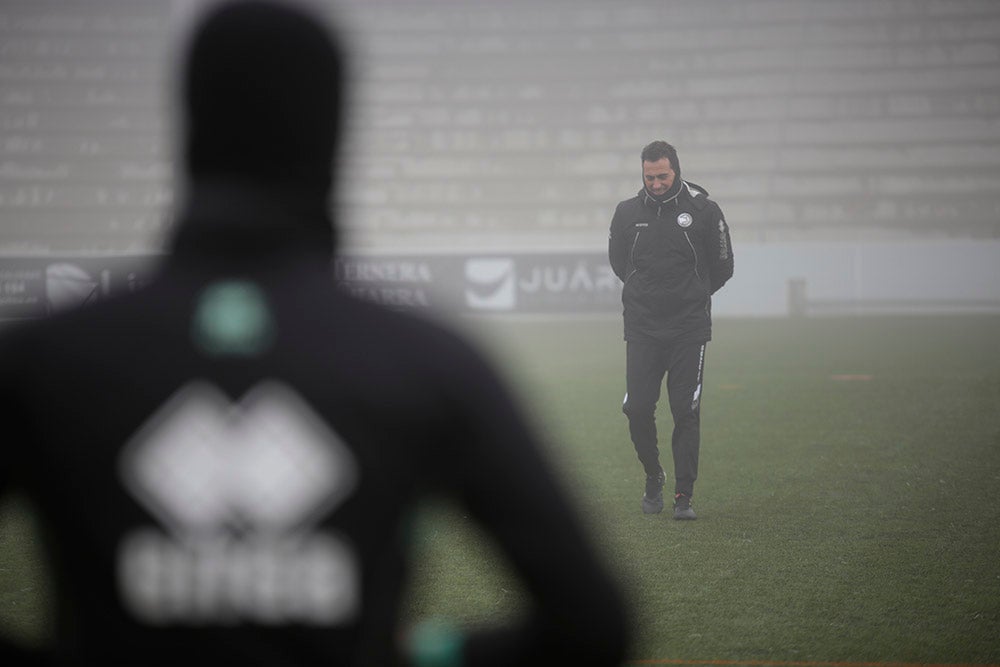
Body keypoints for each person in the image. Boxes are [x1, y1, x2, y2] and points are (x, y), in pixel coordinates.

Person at [0, 2, 628, 665]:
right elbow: (590, 625)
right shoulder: (428, 363)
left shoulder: (46, 356)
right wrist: (423, 654)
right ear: (333, 134)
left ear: (188, 125)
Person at [608, 141, 734, 521]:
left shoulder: (704, 210)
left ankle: (684, 496)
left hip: (687, 329)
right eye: (650, 177)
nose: (657, 183)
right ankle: (653, 475)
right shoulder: (626, 213)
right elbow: (619, 262)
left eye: (663, 175)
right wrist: (647, 295)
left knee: (685, 410)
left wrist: (691, 297)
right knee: (637, 408)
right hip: (643, 328)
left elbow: (723, 266)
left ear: (675, 170)